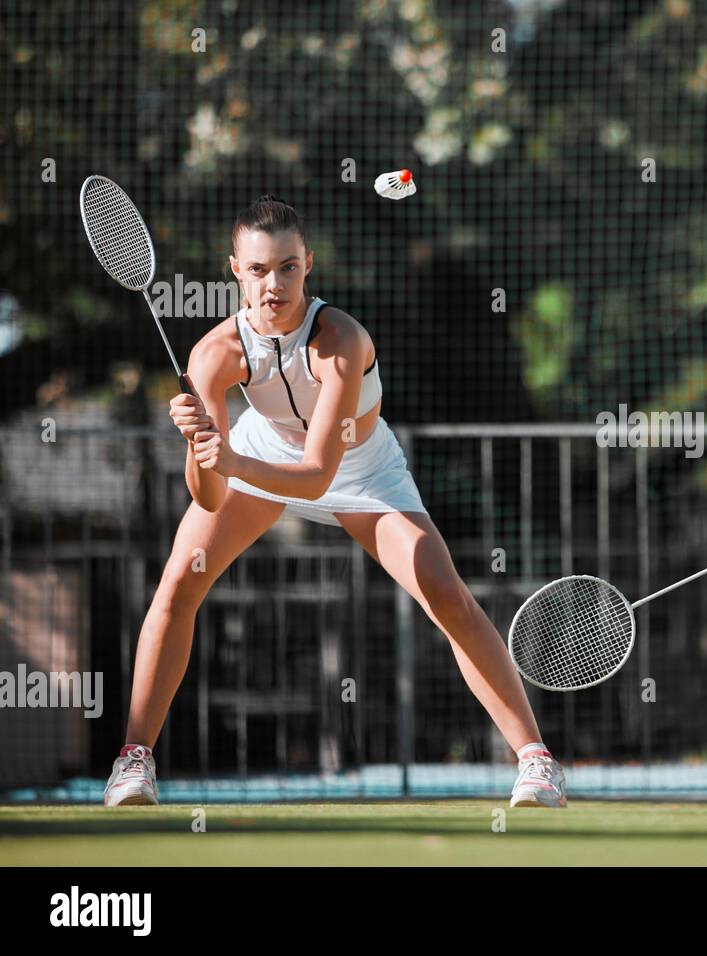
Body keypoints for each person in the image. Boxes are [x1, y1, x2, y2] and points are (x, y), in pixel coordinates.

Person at [103, 195, 566, 809]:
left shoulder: (341, 340)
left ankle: (537, 764)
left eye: (289, 267)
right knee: (177, 585)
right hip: (259, 451)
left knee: (444, 593)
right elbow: (210, 494)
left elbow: (318, 474)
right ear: (235, 270)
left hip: (360, 467)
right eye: (261, 269)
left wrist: (233, 462)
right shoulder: (212, 356)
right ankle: (134, 762)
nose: (275, 284)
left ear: (309, 265)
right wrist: (199, 443)